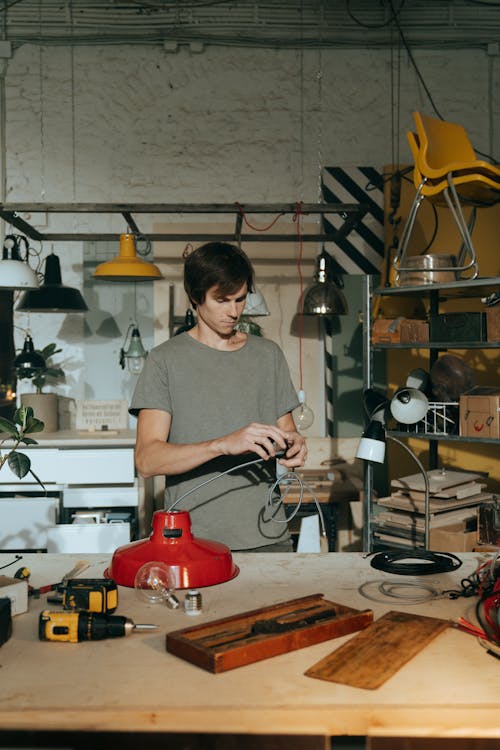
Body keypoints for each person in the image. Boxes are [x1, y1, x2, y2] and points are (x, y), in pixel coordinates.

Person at [129, 241, 307, 551]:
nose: (234, 311)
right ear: (195, 298)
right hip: (192, 542)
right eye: (222, 300)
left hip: (268, 537)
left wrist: (295, 446)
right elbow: (147, 460)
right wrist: (223, 444)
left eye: (240, 299)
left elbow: (287, 431)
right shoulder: (164, 361)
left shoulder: (268, 355)